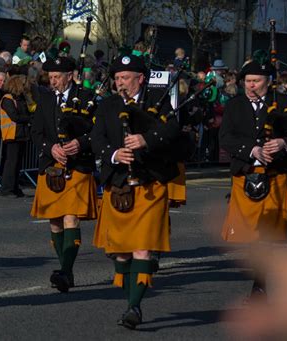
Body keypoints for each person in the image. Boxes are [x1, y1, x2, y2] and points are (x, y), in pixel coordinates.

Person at [91, 54, 180, 329]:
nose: (121, 83)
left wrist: (146, 139)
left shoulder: (157, 102)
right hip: (119, 184)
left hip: (150, 182)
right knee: (121, 253)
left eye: (126, 78)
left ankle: (134, 307)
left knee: (142, 248)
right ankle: (131, 297)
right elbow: (97, 138)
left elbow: (174, 131)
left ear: (140, 79)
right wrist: (115, 154)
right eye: (117, 78)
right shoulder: (108, 105)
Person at [219, 59, 287, 302]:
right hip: (246, 173)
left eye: (256, 81)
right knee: (250, 236)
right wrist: (251, 150)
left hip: (276, 176)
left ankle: (260, 287)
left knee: (267, 237)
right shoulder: (234, 105)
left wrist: (285, 143)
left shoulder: (284, 103)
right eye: (247, 81)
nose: (251, 86)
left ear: (268, 81)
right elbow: (225, 137)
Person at [30, 57, 97, 293]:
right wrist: (51, 148)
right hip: (51, 165)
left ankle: (66, 272)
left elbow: (98, 132)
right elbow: (36, 132)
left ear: (70, 75)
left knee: (70, 217)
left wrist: (80, 143)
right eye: (50, 76)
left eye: (58, 76)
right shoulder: (46, 98)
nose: (53, 80)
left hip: (78, 165)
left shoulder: (87, 97)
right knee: (55, 221)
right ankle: (65, 270)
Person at [0, 75, 34, 197]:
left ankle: (14, 187)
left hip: (21, 134)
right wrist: (30, 119)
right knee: (11, 162)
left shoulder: (20, 99)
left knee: (17, 163)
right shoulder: (7, 99)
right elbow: (15, 117)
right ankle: (7, 189)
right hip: (12, 134)